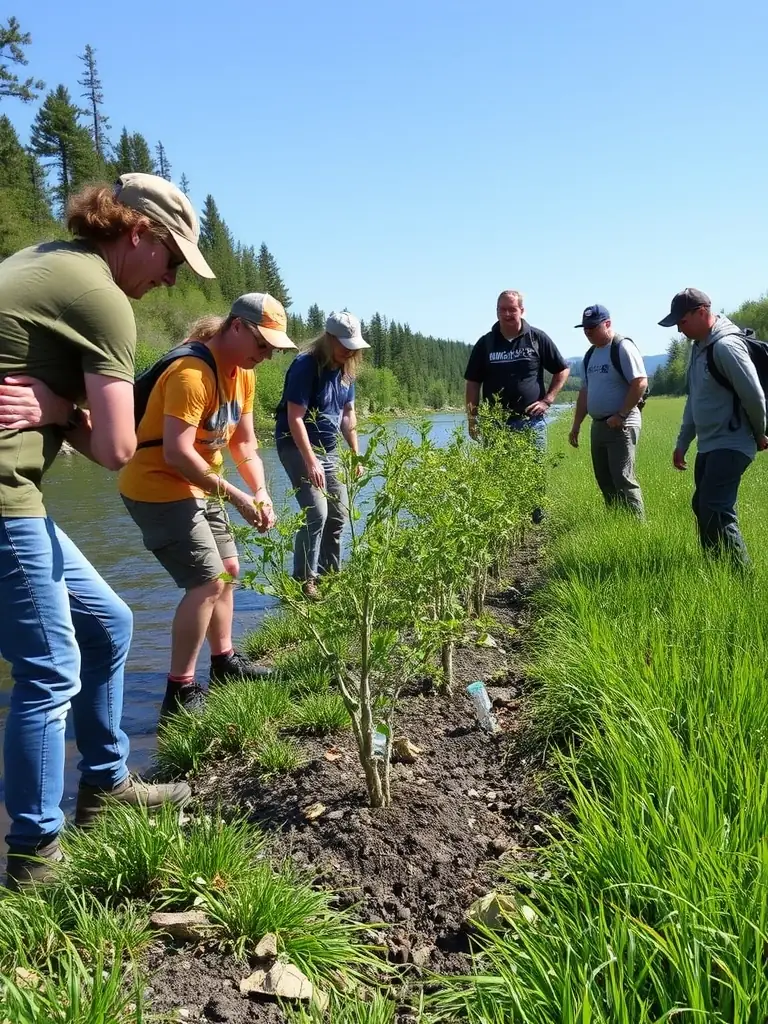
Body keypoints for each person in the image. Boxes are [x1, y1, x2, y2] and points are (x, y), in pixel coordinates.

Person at [0, 172, 211, 886]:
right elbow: (119, 451)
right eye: (172, 259)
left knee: (111, 624)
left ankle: (106, 784)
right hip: (4, 497)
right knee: (50, 669)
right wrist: (64, 409)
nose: (173, 277)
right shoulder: (101, 298)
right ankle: (35, 856)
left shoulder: (49, 260)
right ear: (139, 233)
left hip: (19, 489)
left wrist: (57, 408)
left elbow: (97, 442)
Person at [118, 293, 296, 717]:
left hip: (202, 485)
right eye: (263, 344)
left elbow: (244, 442)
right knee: (205, 583)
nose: (268, 355)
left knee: (229, 571)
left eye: (274, 348)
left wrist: (261, 490)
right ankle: (178, 693)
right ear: (236, 326)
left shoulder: (243, 374)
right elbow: (177, 454)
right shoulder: (191, 374)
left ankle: (224, 664)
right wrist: (236, 497)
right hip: (157, 485)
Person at [662, 288, 768, 564]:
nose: (679, 331)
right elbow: (695, 399)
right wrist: (683, 442)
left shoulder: (725, 346)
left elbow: (753, 395)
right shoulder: (699, 348)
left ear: (701, 312)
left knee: (716, 508)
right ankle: (715, 568)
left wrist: (759, 433)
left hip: (733, 441)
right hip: (710, 444)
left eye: (681, 322)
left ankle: (740, 579)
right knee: (702, 505)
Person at [275, 311, 368, 599]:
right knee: (316, 513)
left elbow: (348, 415)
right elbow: (295, 417)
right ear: (328, 339)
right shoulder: (306, 365)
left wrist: (355, 454)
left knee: (338, 515)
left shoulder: (346, 371)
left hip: (328, 450)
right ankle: (305, 581)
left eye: (353, 346)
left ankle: (331, 576)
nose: (349, 351)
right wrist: (310, 460)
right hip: (296, 446)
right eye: (344, 345)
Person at [464, 290, 570, 521]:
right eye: (502, 309)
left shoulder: (537, 338)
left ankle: (535, 521)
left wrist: (547, 400)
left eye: (512, 309)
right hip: (495, 424)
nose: (507, 313)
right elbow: (473, 383)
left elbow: (562, 369)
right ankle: (505, 521)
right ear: (496, 312)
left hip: (530, 422)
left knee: (533, 471)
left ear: (522, 310)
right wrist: (472, 419)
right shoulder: (486, 343)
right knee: (497, 474)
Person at [568, 304, 647, 517]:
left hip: (622, 423)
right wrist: (576, 425)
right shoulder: (590, 355)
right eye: (585, 328)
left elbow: (640, 382)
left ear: (608, 324)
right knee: (604, 478)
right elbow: (585, 392)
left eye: (592, 327)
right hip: (599, 425)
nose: (588, 332)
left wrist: (621, 414)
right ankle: (617, 521)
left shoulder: (621, 347)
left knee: (623, 478)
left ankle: (636, 527)